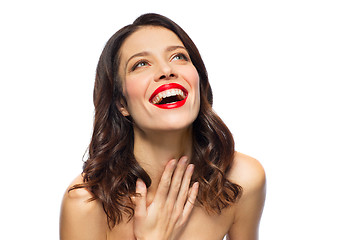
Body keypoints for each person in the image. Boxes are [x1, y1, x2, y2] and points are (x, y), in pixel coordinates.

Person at [60, 13, 266, 240]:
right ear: (121, 103)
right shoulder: (86, 204)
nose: (167, 70)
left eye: (179, 57)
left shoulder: (243, 180)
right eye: (141, 64)